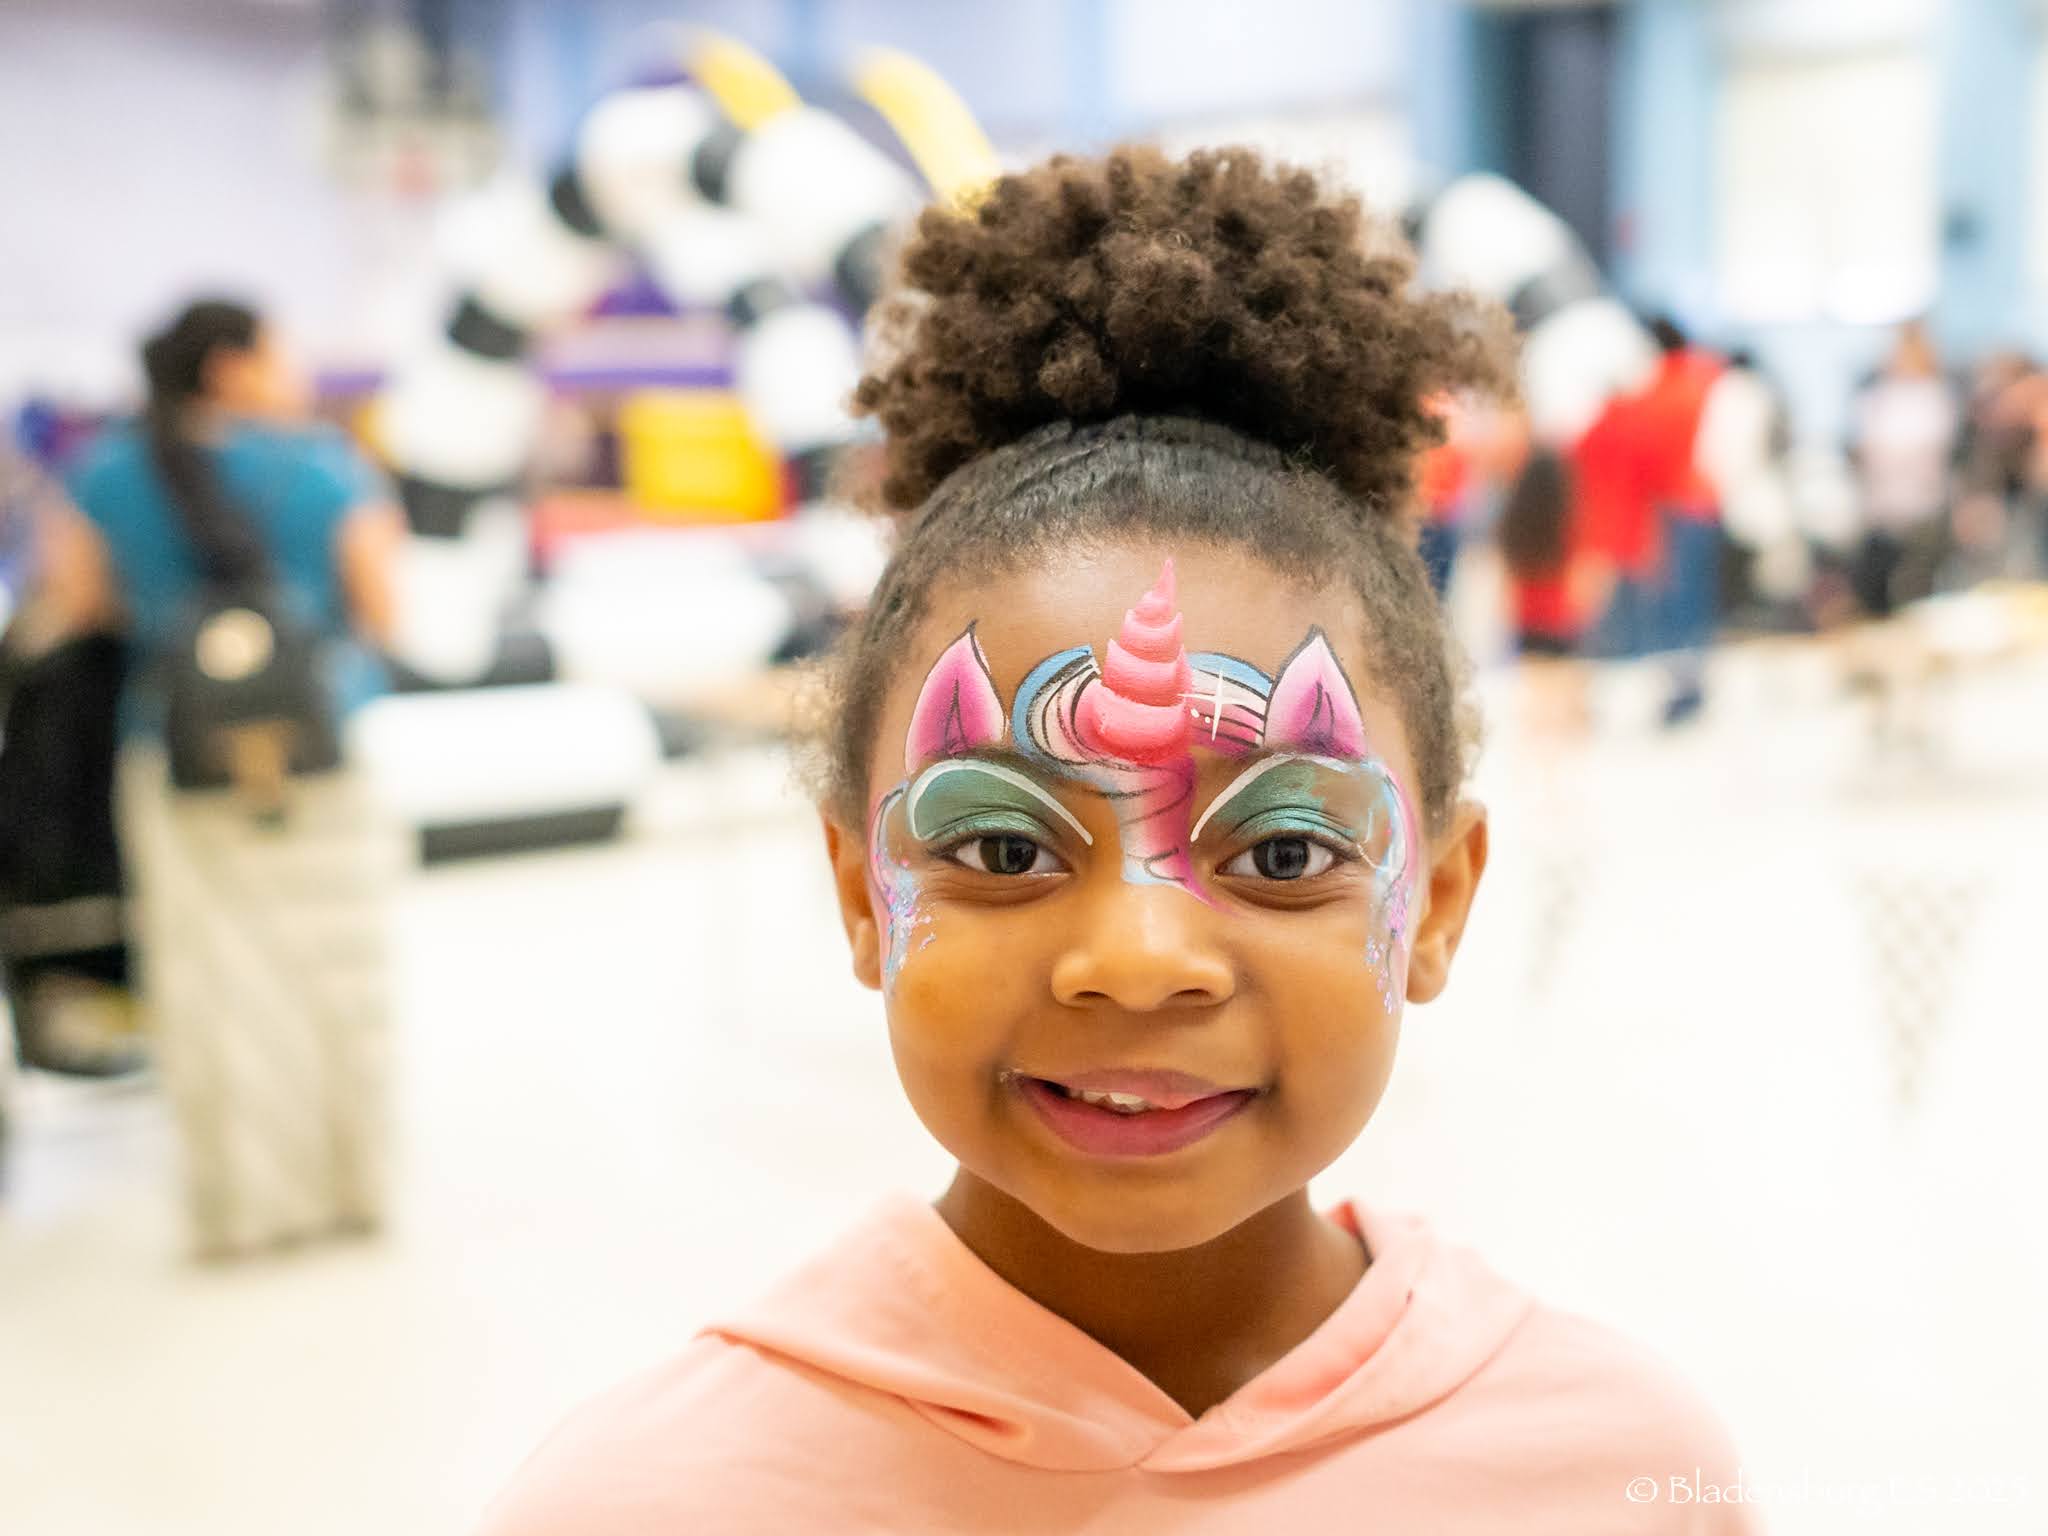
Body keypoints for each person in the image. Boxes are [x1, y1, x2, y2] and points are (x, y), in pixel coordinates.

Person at [478, 149, 1754, 1534]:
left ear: (1437, 902)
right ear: (860, 892)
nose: (1139, 960)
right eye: (1004, 851)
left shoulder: (1620, 1477)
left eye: (1280, 855)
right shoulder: (647, 1505)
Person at [47, 298, 406, 1257]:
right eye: (282, 353)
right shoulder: (326, 467)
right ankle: (349, 1192)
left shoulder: (103, 473)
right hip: (319, 749)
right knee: (336, 972)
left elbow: (81, 605)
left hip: (175, 752)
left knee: (210, 983)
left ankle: (241, 1212)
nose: (298, 372)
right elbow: (385, 610)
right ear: (231, 366)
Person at [1848, 322, 1957, 619]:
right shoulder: (1879, 396)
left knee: (1917, 584)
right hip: (1882, 505)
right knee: (1877, 587)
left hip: (1922, 505)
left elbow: (1930, 448)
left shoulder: (1933, 396)